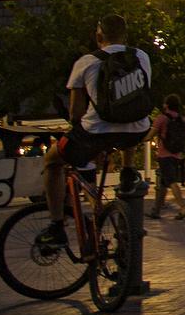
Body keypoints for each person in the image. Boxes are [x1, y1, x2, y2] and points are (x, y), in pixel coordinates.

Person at [38, 14, 153, 246]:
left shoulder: (86, 62)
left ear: (98, 35)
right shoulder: (141, 56)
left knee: (52, 162)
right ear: (125, 35)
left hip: (97, 132)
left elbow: (75, 112)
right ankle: (128, 170)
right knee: (128, 127)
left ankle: (57, 226)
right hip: (138, 129)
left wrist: (76, 130)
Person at [149, 94, 185, 220]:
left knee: (172, 182)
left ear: (166, 105)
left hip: (164, 155)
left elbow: (151, 134)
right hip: (176, 155)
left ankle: (183, 208)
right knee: (163, 184)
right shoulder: (181, 119)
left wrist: (141, 139)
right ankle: (156, 210)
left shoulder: (162, 119)